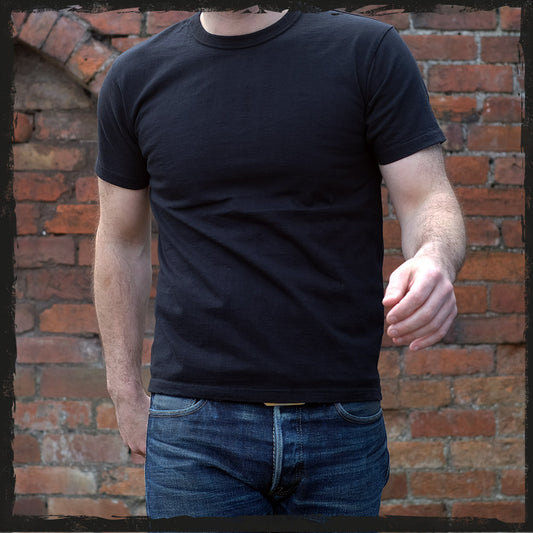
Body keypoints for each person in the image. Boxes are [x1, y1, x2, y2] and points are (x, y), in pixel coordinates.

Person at [93, 5, 465, 520]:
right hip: (195, 427)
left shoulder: (366, 52)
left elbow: (427, 198)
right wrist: (124, 392)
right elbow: (120, 240)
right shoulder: (136, 77)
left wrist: (434, 257)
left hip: (339, 418)